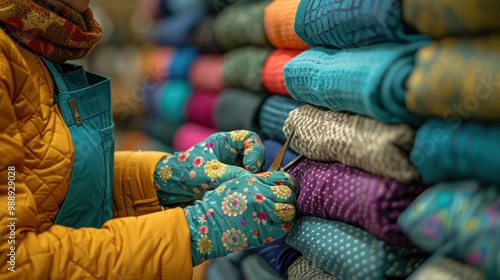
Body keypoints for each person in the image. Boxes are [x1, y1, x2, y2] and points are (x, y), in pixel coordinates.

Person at [0, 0, 297, 279]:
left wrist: (169, 175)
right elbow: (12, 263)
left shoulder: (33, 46)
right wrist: (195, 231)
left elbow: (47, 184)